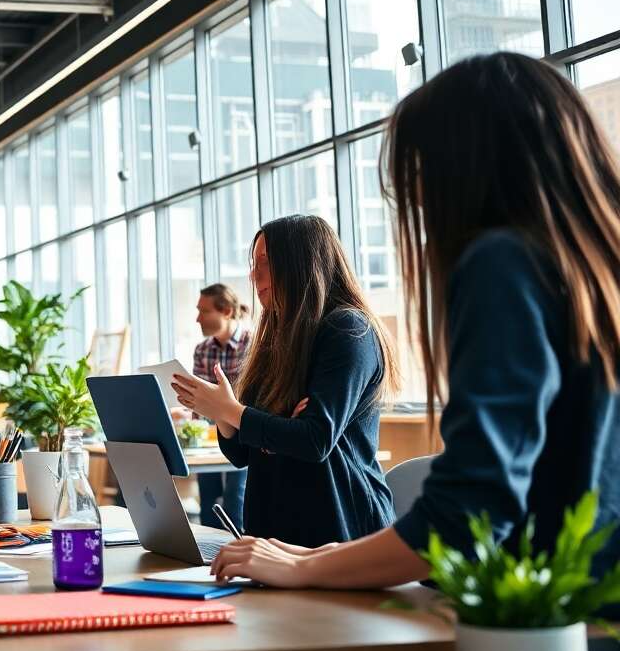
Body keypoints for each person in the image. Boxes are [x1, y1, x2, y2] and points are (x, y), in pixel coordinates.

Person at [207, 53, 620, 597]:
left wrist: (306, 567)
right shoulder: (589, 268)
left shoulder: (501, 264)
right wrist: (328, 555)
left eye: (420, 170)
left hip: (536, 614)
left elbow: (469, 508)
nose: (418, 199)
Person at [172, 215, 399, 548]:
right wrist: (226, 415)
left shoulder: (348, 330)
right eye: (253, 264)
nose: (254, 274)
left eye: (264, 262)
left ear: (301, 263)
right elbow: (241, 452)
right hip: (275, 536)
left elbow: (314, 439)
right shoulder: (275, 339)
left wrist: (241, 415)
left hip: (340, 535)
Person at [190, 283, 252, 532]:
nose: (198, 318)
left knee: (235, 498)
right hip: (212, 435)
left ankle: (236, 554)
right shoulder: (202, 350)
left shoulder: (253, 344)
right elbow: (200, 400)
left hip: (245, 433)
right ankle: (208, 560)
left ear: (226, 311)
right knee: (207, 500)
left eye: (204, 312)